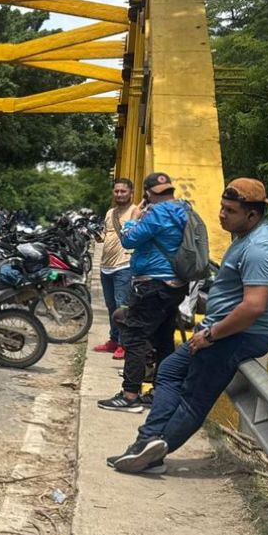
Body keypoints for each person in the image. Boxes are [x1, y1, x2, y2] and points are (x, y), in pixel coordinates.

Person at [110, 178, 268, 474]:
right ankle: (145, 444)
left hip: (237, 335)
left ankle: (152, 452)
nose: (221, 214)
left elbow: (254, 306)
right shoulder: (245, 237)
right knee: (168, 370)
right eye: (221, 207)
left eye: (230, 210)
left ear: (252, 214)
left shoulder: (260, 247)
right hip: (224, 330)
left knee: (194, 398)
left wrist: (211, 334)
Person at [97, 172, 190, 413]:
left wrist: (134, 218)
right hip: (175, 285)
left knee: (135, 336)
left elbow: (128, 240)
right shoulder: (183, 210)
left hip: (152, 285)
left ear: (147, 194)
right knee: (163, 340)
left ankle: (130, 395)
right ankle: (159, 391)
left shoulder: (157, 213)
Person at [94, 178, 142, 360]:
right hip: (106, 265)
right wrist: (97, 236)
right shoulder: (110, 213)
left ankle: (124, 343)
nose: (119, 194)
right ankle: (113, 340)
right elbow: (105, 235)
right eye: (116, 191)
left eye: (123, 191)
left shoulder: (136, 211)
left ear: (131, 192)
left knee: (122, 306)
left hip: (124, 265)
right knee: (111, 305)